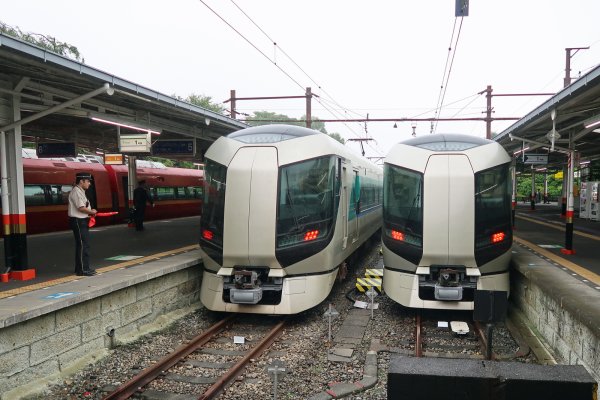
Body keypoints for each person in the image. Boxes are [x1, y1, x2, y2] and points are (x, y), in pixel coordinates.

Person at [68, 172, 97, 276]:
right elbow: (81, 208)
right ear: (81, 181)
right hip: (78, 220)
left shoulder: (80, 191)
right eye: (88, 181)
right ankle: (83, 269)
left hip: (82, 220)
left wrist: (90, 212)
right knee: (83, 245)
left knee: (83, 244)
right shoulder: (76, 191)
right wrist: (92, 212)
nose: (89, 183)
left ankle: (81, 268)